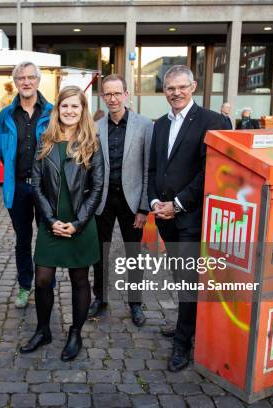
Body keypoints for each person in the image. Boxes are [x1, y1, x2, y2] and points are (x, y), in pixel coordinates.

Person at [147, 65, 223, 372]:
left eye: (181, 87)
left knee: (190, 281)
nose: (176, 93)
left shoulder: (213, 121)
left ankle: (182, 343)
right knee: (180, 278)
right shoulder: (160, 125)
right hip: (165, 218)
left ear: (193, 86)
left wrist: (177, 204)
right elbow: (153, 169)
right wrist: (155, 201)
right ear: (164, 91)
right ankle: (186, 326)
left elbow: (210, 172)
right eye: (169, 88)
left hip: (192, 218)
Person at [20, 85, 103, 361]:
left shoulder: (92, 142)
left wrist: (78, 223)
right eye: (64, 105)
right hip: (50, 221)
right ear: (58, 109)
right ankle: (43, 330)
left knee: (80, 279)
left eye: (75, 106)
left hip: (81, 221)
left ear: (82, 110)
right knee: (43, 279)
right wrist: (51, 219)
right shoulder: (45, 141)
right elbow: (36, 185)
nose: (69, 110)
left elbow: (98, 186)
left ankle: (75, 333)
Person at [89, 74, 153, 327]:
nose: (113, 98)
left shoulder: (145, 125)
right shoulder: (97, 127)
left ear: (127, 94)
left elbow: (149, 169)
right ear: (103, 97)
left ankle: (135, 303)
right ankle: (100, 298)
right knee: (99, 253)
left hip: (132, 200)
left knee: (133, 254)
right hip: (103, 200)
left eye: (117, 93)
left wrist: (143, 208)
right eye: (108, 94)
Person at [0, 61, 53, 308]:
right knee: (22, 239)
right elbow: (1, 151)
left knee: (46, 238)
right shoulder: (5, 115)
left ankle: (46, 283)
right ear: (15, 82)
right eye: (21, 78)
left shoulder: (52, 112)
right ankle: (24, 285)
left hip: (44, 187)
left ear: (38, 81)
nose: (26, 82)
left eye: (31, 77)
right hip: (18, 187)